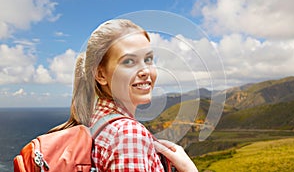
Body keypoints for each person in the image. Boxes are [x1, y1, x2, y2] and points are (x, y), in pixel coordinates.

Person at [50, 19, 198, 172]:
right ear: (101, 75)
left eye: (148, 59)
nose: (145, 71)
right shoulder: (128, 134)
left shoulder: (93, 121)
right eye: (129, 61)